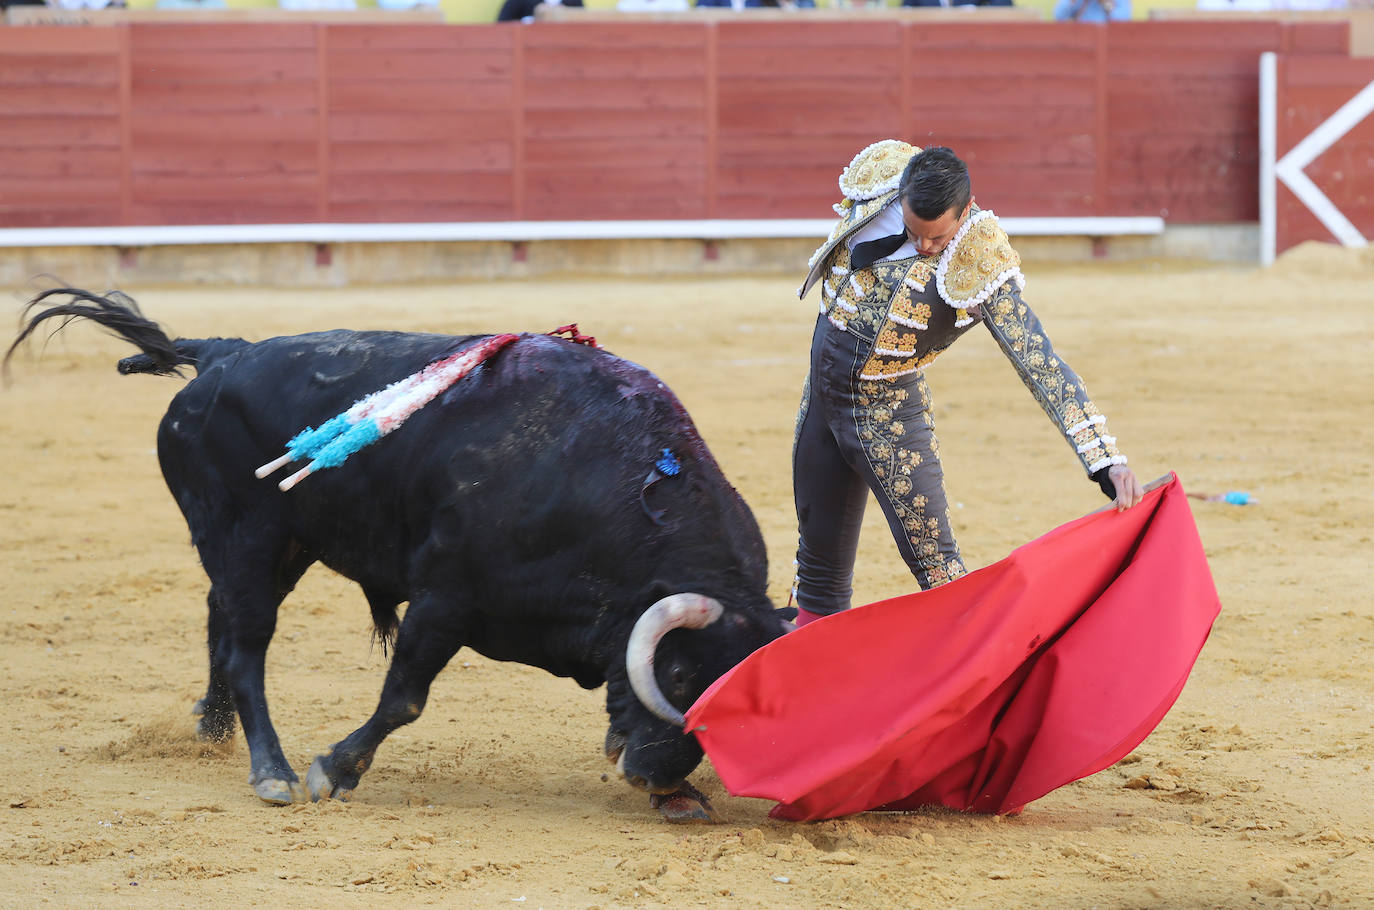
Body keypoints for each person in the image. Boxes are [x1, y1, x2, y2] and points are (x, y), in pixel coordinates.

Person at [791, 141, 1144, 626]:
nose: (925, 247)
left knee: (940, 572)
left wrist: (1104, 459)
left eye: (938, 239)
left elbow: (1038, 360)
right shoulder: (883, 180)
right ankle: (802, 684)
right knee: (817, 568)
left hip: (886, 417)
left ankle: (975, 686)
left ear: (966, 211)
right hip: (822, 399)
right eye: (916, 233)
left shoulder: (978, 258)